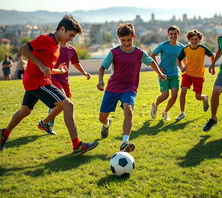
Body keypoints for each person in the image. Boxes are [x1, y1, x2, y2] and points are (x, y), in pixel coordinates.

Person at [0, 15, 99, 156]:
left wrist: (59, 70)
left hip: (33, 81)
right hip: (37, 81)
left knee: (25, 111)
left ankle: (4, 133)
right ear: (62, 29)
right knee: (68, 105)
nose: (70, 39)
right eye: (70, 35)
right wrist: (40, 65)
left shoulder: (57, 47)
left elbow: (46, 68)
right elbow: (23, 49)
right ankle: (77, 145)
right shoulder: (46, 39)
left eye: (73, 37)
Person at [97, 23, 166, 153]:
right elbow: (102, 67)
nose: (126, 43)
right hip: (112, 88)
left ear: (133, 37)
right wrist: (100, 81)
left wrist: (160, 73)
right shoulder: (114, 53)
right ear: (119, 39)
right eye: (123, 40)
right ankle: (107, 124)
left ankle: (125, 142)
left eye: (129, 40)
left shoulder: (139, 53)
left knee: (128, 110)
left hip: (129, 88)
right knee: (102, 117)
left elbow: (151, 62)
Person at [45, 41, 91, 128]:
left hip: (64, 80)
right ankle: (46, 123)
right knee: (64, 101)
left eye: (72, 35)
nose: (70, 37)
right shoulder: (53, 47)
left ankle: (47, 121)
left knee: (61, 104)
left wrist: (84, 72)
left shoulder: (71, 49)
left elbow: (76, 63)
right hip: (52, 78)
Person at [176, 29, 214, 121]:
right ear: (189, 40)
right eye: (192, 39)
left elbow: (212, 55)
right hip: (188, 74)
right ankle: (182, 113)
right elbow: (179, 59)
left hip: (198, 76)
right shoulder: (185, 49)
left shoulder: (203, 48)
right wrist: (181, 68)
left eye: (196, 39)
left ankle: (204, 98)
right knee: (183, 91)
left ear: (199, 39)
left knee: (198, 97)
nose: (194, 41)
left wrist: (212, 66)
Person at [150, 25, 184, 121]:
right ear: (168, 35)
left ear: (178, 34)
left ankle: (165, 113)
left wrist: (183, 67)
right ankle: (155, 104)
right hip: (163, 75)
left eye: (175, 34)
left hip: (174, 74)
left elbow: (185, 59)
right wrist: (159, 68)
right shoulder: (163, 46)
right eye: (171, 34)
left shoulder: (181, 47)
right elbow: (152, 55)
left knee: (174, 95)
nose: (173, 36)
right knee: (165, 95)